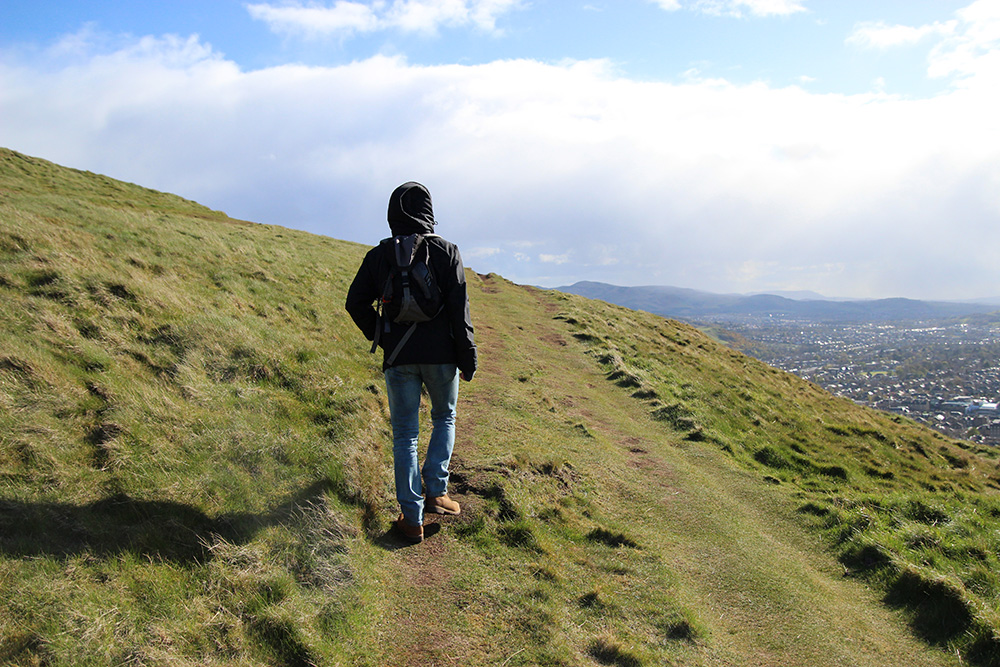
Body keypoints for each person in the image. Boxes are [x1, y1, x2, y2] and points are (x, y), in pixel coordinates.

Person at [345, 182, 477, 544]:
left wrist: (384, 336)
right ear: (429, 212)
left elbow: (354, 303)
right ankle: (437, 492)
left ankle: (412, 518)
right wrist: (467, 357)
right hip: (443, 358)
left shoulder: (378, 256)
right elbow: (458, 311)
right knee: (444, 417)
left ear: (392, 215)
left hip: (399, 358)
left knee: (405, 436)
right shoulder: (447, 251)